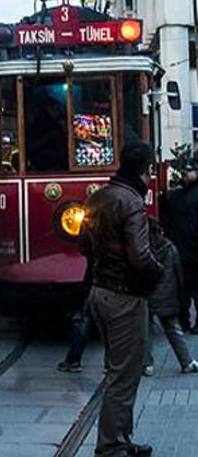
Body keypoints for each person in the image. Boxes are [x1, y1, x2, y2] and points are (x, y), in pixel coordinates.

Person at [79, 140, 162, 457]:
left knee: (117, 370)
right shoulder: (131, 202)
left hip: (99, 291)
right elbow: (140, 256)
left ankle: (121, 439)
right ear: (145, 169)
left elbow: (82, 244)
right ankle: (112, 445)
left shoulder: (98, 196)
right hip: (125, 295)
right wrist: (158, 273)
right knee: (124, 375)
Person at [143, 218, 198, 375]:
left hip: (147, 296)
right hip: (168, 297)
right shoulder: (170, 248)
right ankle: (186, 361)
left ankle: (147, 365)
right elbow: (179, 274)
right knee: (174, 329)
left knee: (146, 332)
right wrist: (182, 297)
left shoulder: (143, 250)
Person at [167, 153, 198, 332]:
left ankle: (186, 321)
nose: (185, 175)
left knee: (189, 289)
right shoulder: (177, 196)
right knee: (183, 290)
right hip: (183, 248)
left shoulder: (178, 196)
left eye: (189, 171)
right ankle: (184, 320)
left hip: (189, 248)